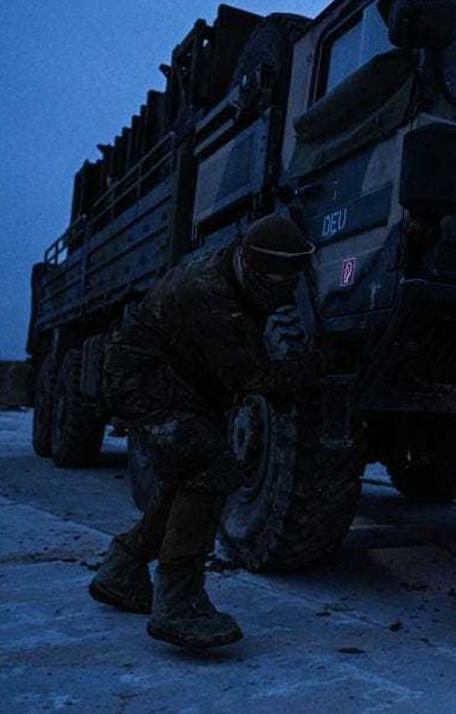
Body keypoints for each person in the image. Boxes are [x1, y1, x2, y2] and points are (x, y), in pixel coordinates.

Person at [88, 213, 315, 649]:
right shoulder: (212, 300)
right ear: (253, 267)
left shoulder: (234, 272)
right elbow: (254, 378)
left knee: (187, 476)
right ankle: (178, 603)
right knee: (210, 469)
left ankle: (122, 569)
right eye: (277, 279)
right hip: (145, 381)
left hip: (176, 379)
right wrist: (314, 370)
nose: (286, 289)